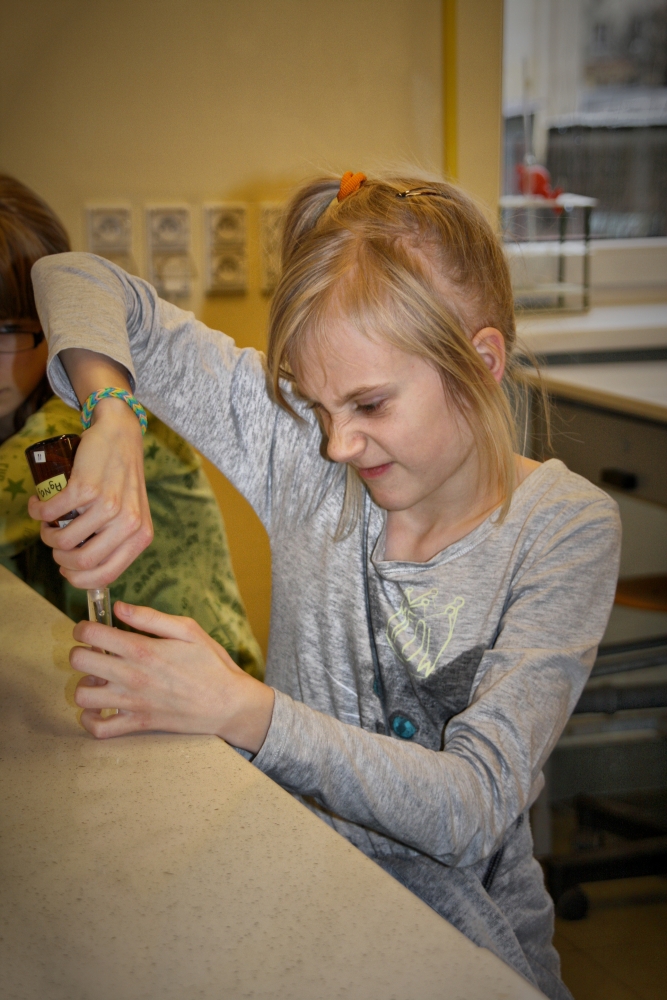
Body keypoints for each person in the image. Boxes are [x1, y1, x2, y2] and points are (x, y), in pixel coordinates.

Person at [30, 172, 621, 1000]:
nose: (338, 444)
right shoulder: (301, 448)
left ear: (481, 363)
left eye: (370, 404)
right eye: (317, 404)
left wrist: (242, 710)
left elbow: (473, 807)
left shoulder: (563, 530)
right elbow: (71, 275)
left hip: (468, 947)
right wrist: (113, 413)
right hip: (297, 899)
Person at [0, 173, 262, 678]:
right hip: (115, 680)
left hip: (208, 690)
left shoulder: (62, 427)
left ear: (51, 324)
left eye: (10, 329)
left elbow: (69, 275)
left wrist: (113, 410)